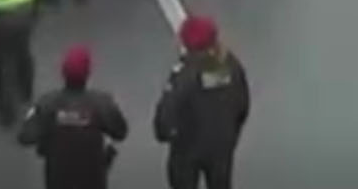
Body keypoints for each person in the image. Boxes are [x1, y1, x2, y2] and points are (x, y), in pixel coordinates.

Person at [152, 15, 249, 189]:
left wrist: (164, 133)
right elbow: (242, 103)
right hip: (221, 145)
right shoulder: (230, 64)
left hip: (188, 147)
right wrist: (231, 133)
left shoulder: (185, 72)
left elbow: (168, 110)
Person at [18, 45, 128, 189]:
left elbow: (25, 137)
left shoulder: (47, 103)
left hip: (58, 177)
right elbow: (120, 132)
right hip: (92, 177)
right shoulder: (102, 103)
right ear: (88, 73)